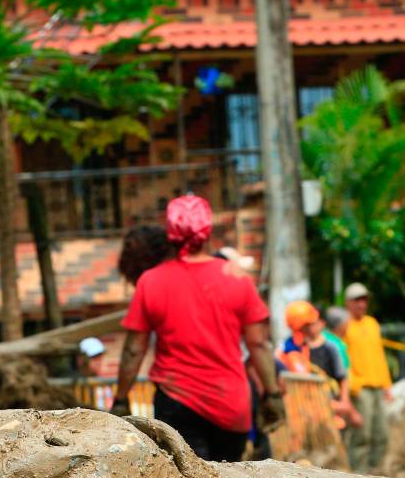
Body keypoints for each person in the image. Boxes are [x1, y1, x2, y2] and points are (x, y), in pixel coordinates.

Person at [113, 197, 284, 462]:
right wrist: (272, 394)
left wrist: (121, 398)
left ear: (171, 234)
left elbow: (134, 350)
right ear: (208, 233)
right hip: (231, 406)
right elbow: (259, 345)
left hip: (177, 406)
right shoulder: (237, 278)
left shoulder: (151, 281)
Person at [342, 283, 392, 474]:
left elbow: (379, 355)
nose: (361, 304)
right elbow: (342, 359)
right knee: (361, 435)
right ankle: (359, 476)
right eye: (357, 300)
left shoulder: (372, 323)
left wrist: (387, 385)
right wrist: (353, 387)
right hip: (360, 388)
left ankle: (375, 473)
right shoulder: (345, 325)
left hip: (378, 386)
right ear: (348, 303)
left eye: (364, 300)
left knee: (382, 434)